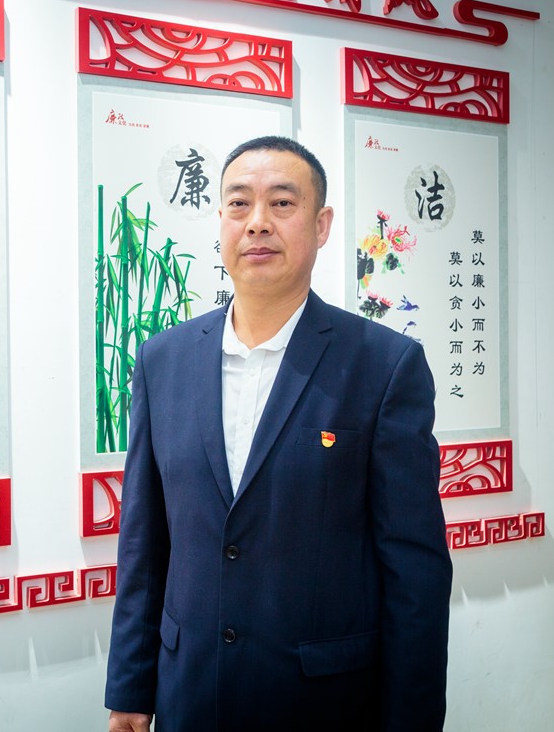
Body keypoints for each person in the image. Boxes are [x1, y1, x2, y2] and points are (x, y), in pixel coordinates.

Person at [104, 136, 452, 731]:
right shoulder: (163, 360)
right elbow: (144, 543)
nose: (257, 223)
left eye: (282, 204)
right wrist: (131, 689)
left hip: (323, 703)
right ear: (221, 219)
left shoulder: (383, 365)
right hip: (191, 694)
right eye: (239, 204)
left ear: (321, 225)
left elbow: (415, 572)